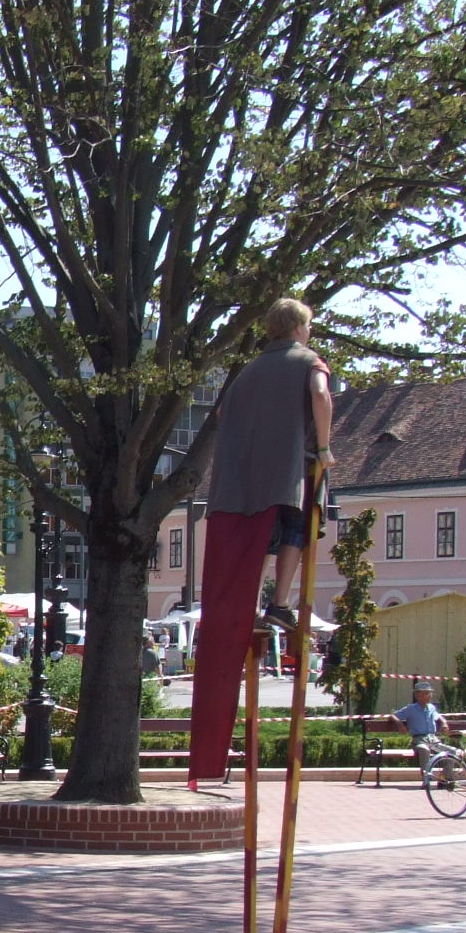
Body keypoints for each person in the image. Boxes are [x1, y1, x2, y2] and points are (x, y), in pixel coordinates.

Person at [187, 298, 334, 781]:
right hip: (288, 474)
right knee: (298, 529)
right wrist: (324, 447)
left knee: (257, 546)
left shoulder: (246, 373)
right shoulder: (308, 362)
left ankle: (255, 605)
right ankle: (281, 601)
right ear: (299, 328)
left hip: (236, 487)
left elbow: (223, 417)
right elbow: (320, 395)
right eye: (309, 326)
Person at [391, 684, 451, 770]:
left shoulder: (431, 707)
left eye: (429, 693)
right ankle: (426, 776)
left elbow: (438, 716)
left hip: (433, 740)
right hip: (419, 740)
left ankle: (448, 777)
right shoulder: (411, 708)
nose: (429, 696)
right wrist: (400, 724)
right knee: (424, 750)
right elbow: (393, 716)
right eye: (426, 693)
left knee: (450, 752)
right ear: (417, 696)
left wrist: (444, 722)